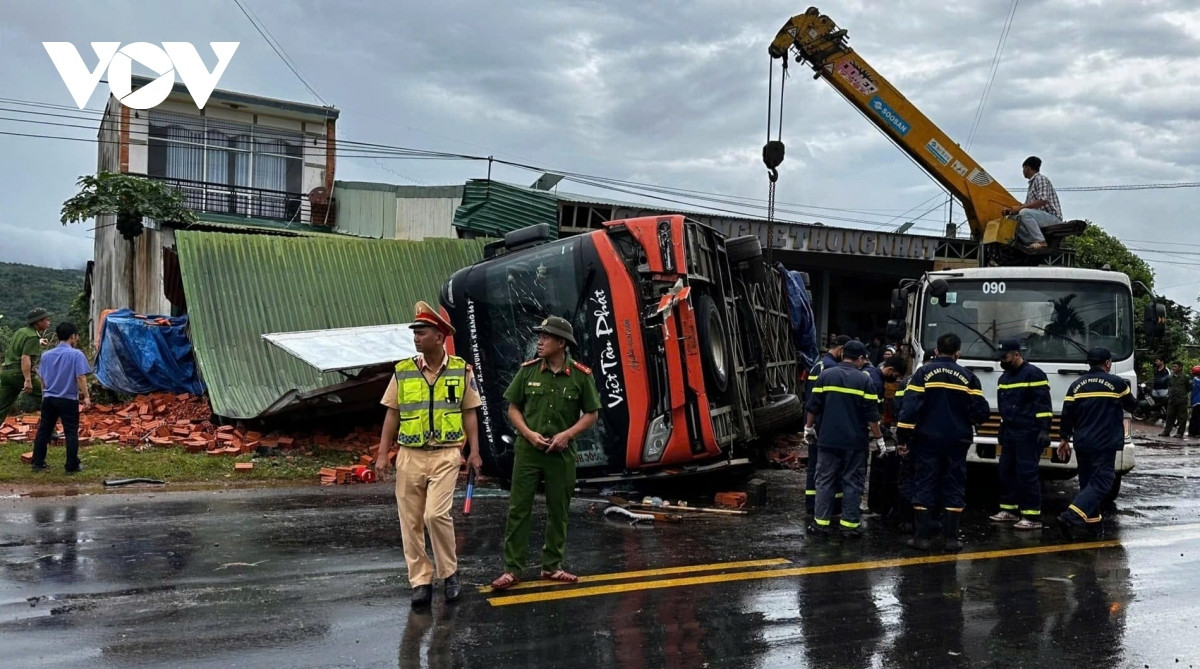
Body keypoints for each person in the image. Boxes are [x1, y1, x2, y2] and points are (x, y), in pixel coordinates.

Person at [375, 301, 483, 607]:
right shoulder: (404, 371)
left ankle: (449, 574)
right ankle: (420, 580)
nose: (416, 338)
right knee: (409, 520)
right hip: (409, 454)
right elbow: (392, 415)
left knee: (435, 514)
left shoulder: (461, 371)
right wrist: (384, 454)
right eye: (415, 333)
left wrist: (474, 452)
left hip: (447, 453)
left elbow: (470, 413)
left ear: (440, 336)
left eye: (422, 332)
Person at [491, 316, 600, 590]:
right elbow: (513, 408)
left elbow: (591, 414)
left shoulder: (580, 375)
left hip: (561, 452)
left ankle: (552, 566)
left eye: (546, 337)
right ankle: (512, 569)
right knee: (519, 508)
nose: (539, 341)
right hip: (528, 450)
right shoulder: (528, 371)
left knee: (559, 510)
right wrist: (528, 434)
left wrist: (567, 435)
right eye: (540, 336)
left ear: (561, 342)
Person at [897, 333, 991, 551]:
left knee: (925, 482)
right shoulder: (968, 377)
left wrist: (903, 438)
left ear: (937, 351)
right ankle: (951, 539)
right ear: (958, 353)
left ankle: (921, 537)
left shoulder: (922, 374)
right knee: (954, 485)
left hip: (926, 440)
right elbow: (981, 411)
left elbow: (909, 410)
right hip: (957, 441)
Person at [803, 340, 883, 538]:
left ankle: (820, 524)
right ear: (861, 359)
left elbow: (813, 406)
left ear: (843, 354)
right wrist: (879, 439)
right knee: (852, 483)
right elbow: (872, 415)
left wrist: (808, 428)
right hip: (854, 443)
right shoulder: (865, 380)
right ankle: (849, 525)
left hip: (828, 440)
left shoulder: (826, 375)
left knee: (824, 480)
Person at [1056, 347, 1137, 539]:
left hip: (1082, 442)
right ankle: (1071, 516)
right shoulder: (1117, 383)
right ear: (1107, 363)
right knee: (1103, 481)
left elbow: (1067, 414)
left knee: (1087, 483)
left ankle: (1093, 526)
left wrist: (1063, 439)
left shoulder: (1076, 385)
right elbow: (1133, 406)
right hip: (1105, 443)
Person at [988, 340, 1052, 529]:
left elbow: (1043, 405)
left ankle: (1032, 516)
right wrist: (1001, 426)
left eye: (1005, 357)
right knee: (1006, 470)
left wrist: (1044, 429)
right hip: (1010, 432)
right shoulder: (1004, 378)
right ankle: (1009, 509)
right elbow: (1004, 407)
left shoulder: (1034, 374)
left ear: (1016, 355)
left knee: (1027, 473)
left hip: (1029, 432)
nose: (1002, 361)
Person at [30, 322, 91, 473]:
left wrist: (44, 395)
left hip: (49, 398)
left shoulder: (46, 355)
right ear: (72, 337)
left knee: (44, 430)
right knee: (71, 431)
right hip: (68, 398)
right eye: (76, 336)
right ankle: (72, 466)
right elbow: (81, 377)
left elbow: (42, 378)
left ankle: (37, 463)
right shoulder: (76, 354)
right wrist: (87, 396)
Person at [803, 335, 850, 515]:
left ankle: (811, 503)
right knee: (830, 468)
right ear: (840, 349)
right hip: (825, 425)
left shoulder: (818, 364)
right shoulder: (832, 369)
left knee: (814, 465)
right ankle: (832, 506)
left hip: (814, 421)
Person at [0, 308, 51, 427]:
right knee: (47, 397)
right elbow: (25, 358)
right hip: (19, 374)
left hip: (7, 373)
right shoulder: (33, 336)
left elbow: (20, 347)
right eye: (46, 320)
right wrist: (28, 380)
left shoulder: (21, 331)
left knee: (2, 406)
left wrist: (38, 341)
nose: (49, 322)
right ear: (38, 322)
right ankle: (49, 431)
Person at [1001, 156, 1063, 252]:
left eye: (1023, 168)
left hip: (1052, 218)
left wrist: (1019, 208)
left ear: (1027, 168)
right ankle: (1030, 242)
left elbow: (1043, 200)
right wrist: (1011, 211)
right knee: (1012, 218)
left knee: (1024, 212)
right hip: (1040, 217)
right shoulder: (1031, 184)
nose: (1023, 171)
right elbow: (1027, 206)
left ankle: (1041, 241)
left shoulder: (1040, 179)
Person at [1163, 361, 1190, 438]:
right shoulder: (1170, 377)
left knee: (1182, 418)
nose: (1173, 368)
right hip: (1172, 400)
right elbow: (1169, 386)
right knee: (1169, 416)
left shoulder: (1185, 377)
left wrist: (1181, 394)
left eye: (1175, 367)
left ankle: (1180, 433)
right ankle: (1166, 431)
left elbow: (1188, 388)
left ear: (1180, 368)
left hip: (1181, 400)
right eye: (1173, 366)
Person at [1189, 365, 1200, 438]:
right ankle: (1196, 432)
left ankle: (1192, 432)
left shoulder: (1194, 380)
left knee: (1194, 417)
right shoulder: (1197, 380)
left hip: (1195, 401)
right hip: (1198, 401)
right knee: (1197, 418)